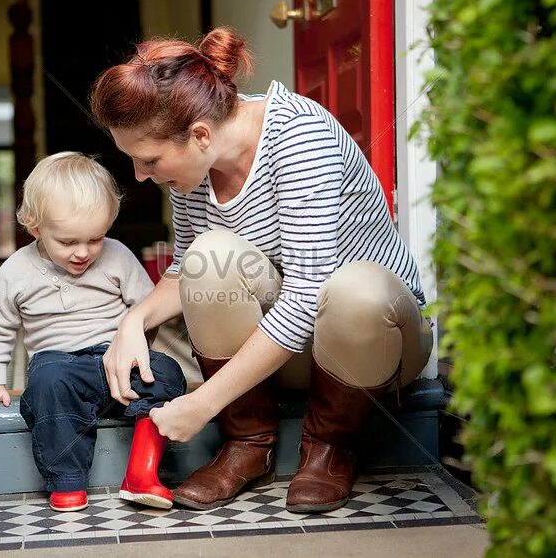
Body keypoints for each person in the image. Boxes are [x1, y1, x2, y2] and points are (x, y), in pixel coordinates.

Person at [90, 27, 433, 513]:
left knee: (355, 288)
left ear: (201, 134)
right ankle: (247, 444)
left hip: (374, 349)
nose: (141, 176)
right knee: (209, 256)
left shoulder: (299, 136)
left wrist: (201, 403)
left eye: (148, 160)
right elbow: (187, 267)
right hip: (292, 354)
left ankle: (331, 446)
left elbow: (305, 296)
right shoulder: (190, 169)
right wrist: (134, 321)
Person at [0, 152, 186, 511]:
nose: (83, 252)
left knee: (167, 372)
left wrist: (140, 349)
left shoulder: (117, 256)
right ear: (35, 228)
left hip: (116, 361)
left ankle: (142, 471)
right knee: (47, 383)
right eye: (67, 242)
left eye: (95, 239)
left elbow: (148, 308)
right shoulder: (16, 271)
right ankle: (67, 481)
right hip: (60, 365)